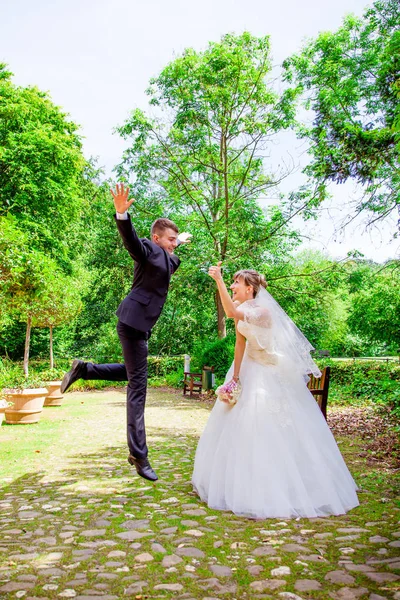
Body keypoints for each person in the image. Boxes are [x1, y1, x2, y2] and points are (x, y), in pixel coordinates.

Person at [192, 264, 359, 519]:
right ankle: (236, 482)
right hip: (248, 368)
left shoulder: (263, 312)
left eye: (236, 283)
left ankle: (282, 486)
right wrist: (235, 378)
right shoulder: (245, 311)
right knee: (234, 425)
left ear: (250, 289)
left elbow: (229, 311)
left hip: (267, 372)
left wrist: (218, 281)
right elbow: (240, 344)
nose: (233, 286)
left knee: (265, 425)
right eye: (232, 283)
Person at [61, 184, 192, 482]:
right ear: (157, 238)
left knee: (133, 373)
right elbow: (132, 241)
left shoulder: (168, 255)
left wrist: (180, 241)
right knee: (138, 388)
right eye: (169, 239)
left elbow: (172, 256)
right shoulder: (147, 247)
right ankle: (139, 454)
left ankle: (85, 369)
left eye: (175, 240)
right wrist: (122, 214)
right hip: (133, 322)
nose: (173, 244)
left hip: (139, 325)